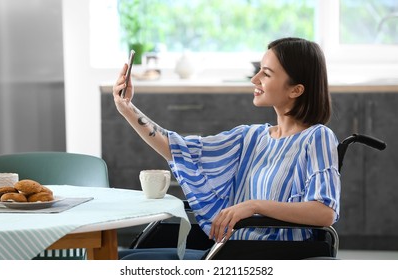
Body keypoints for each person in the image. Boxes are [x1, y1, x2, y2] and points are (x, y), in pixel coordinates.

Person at [112, 37, 341, 260]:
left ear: (296, 90)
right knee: (123, 257)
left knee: (128, 262)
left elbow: (325, 212)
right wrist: (126, 108)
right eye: (259, 70)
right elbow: (180, 149)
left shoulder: (317, 137)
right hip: (229, 247)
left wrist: (253, 206)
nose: (255, 79)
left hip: (271, 254)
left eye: (267, 73)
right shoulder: (250, 137)